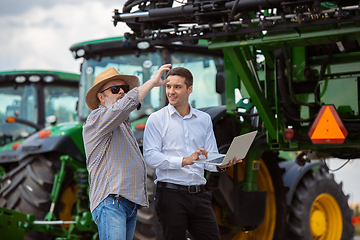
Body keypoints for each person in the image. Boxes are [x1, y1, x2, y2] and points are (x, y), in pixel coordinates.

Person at [143, 67, 242, 240]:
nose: (171, 92)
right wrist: (184, 160)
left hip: (200, 196)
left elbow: (209, 158)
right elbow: (150, 156)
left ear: (190, 89)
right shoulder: (156, 119)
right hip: (171, 195)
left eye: (177, 87)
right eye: (168, 87)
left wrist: (222, 164)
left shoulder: (204, 119)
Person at [83, 64, 171, 240]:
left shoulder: (123, 125)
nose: (122, 92)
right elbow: (124, 106)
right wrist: (152, 83)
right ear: (101, 97)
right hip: (111, 203)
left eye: (125, 88)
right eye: (115, 89)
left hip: (127, 204)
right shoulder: (97, 119)